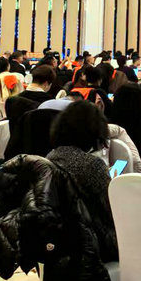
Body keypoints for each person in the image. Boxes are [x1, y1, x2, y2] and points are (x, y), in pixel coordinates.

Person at [46, 99, 118, 263]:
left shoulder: (51, 157)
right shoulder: (92, 165)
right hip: (94, 242)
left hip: (62, 239)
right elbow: (111, 211)